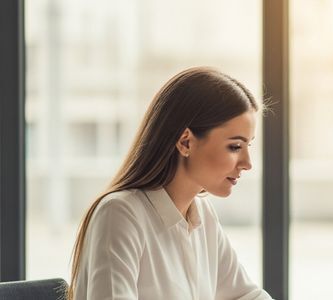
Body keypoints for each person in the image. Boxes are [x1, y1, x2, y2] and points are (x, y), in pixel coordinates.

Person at [68, 67, 273, 300]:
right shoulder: (120, 214)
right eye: (235, 147)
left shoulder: (202, 215)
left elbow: (247, 295)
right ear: (185, 142)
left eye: (249, 146)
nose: (247, 163)